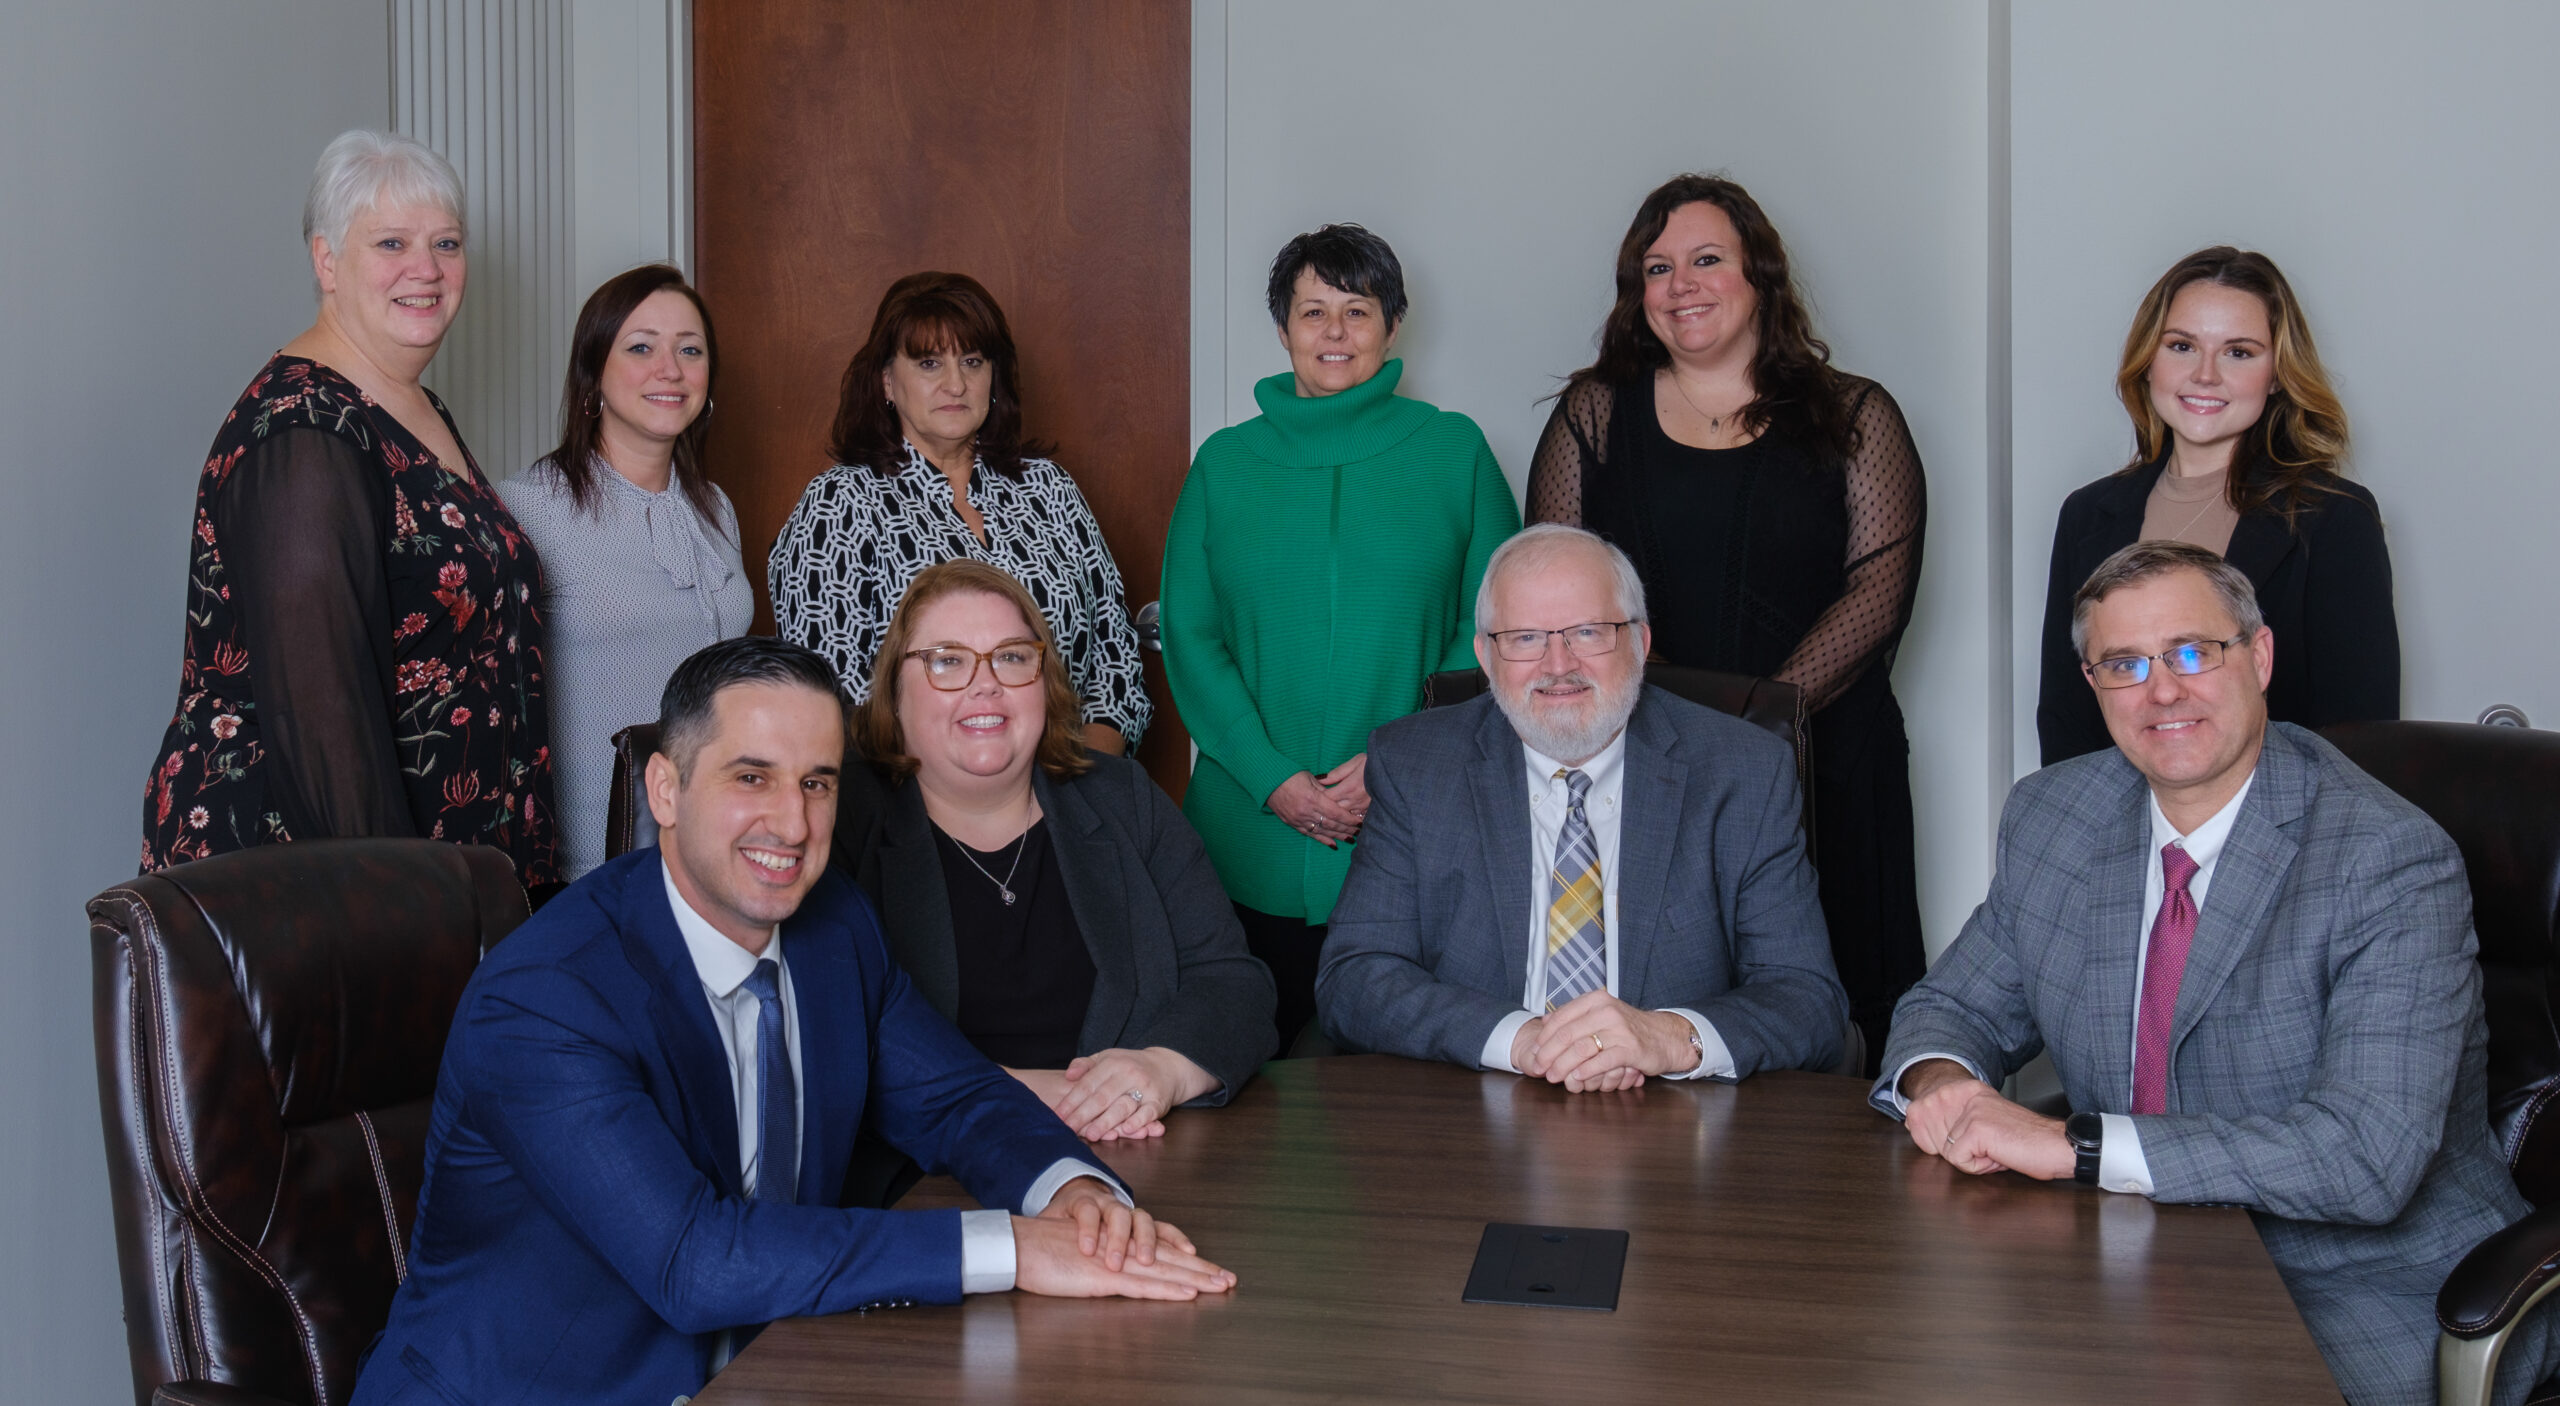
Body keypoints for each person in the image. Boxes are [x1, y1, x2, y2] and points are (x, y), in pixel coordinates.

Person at [351, 637, 1234, 1406]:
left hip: (774, 1371)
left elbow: (959, 1099)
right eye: (751, 778)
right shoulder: (544, 997)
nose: (793, 821)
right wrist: (1014, 1247)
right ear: (665, 787)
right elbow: (695, 1262)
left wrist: (1074, 1197)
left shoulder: (832, 928)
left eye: (818, 782)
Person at [1874, 541, 2543, 1406]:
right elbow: (1950, 1004)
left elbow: (2364, 1159)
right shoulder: (2055, 816)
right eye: (2125, 664)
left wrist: (2075, 1146)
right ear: (2093, 685)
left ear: (2258, 657)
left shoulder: (2388, 859)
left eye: (2193, 652)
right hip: (2120, 1250)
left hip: (2352, 1280)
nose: (2163, 691)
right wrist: (1946, 1087)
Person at [1523, 173, 1924, 1072]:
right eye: (1657, 268)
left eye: (1707, 259)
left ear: (1761, 277)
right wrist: (1690, 743)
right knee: (1656, 1015)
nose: (1681, 284)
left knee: (1842, 1010)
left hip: (1827, 760)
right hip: (1641, 768)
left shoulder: (1854, 414)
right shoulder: (1593, 415)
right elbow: (1557, 590)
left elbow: (1877, 594)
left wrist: (1754, 725)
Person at [140, 128, 558, 901]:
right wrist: (405, 926)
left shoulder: (410, 405)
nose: (426, 270)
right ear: (326, 260)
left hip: (461, 877)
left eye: (446, 242)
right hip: (338, 903)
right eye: (391, 243)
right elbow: (323, 724)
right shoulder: (303, 432)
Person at [1316, 525, 1846, 1086]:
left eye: (1588, 632)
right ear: (1486, 657)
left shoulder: (1745, 769)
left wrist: (1669, 1037)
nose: (1557, 664)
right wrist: (1521, 1040)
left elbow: (1808, 999)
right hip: (1472, 1119)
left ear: (1640, 643)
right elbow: (1354, 978)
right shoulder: (1413, 764)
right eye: (1524, 638)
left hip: (1677, 1127)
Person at [1162, 223, 1519, 1055]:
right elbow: (1190, 633)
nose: (1333, 332)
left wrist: (1393, 762)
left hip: (1411, 823)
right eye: (1311, 311)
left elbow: (1497, 630)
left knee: (1398, 1093)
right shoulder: (1223, 463)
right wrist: (1272, 776)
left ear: (1392, 326)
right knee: (1236, 1072)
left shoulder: (1454, 452)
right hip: (1246, 827)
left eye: (1355, 311)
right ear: (1282, 328)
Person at [833, 559, 1277, 1150]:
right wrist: (1021, 1093)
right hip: (931, 1178)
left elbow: (1232, 983)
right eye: (948, 661)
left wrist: (1163, 1071)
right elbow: (829, 1037)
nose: (985, 683)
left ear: (1045, 685)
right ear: (894, 694)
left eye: (1013, 656)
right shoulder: (842, 820)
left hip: (1139, 1150)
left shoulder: (1123, 798)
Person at [2035, 246, 2397, 766]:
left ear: (2276, 374)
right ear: (2149, 360)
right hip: (2119, 835)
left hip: (2282, 836)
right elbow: (2067, 724)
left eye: (2238, 352)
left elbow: (2362, 742)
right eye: (2182, 346)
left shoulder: (2334, 517)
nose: (2205, 374)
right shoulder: (2088, 515)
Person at [769, 271, 1150, 755]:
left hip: (1069, 787)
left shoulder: (1051, 489)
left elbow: (1114, 660)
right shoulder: (839, 504)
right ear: (887, 381)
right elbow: (829, 696)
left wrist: (1082, 782)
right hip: (913, 805)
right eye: (929, 363)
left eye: (972, 361)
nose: (955, 383)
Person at [502, 264, 750, 879]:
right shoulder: (531, 508)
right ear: (593, 378)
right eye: (641, 348)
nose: (670, 369)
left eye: (689, 350)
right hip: (591, 861)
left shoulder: (716, 508)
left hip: (709, 843)